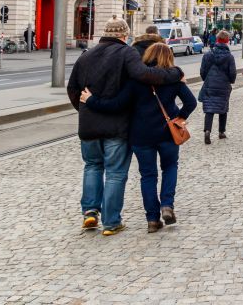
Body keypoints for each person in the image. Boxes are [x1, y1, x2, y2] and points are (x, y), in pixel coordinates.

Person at [66, 16, 183, 236]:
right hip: (117, 125)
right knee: (115, 173)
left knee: (92, 166)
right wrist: (175, 74)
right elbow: (145, 75)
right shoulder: (126, 52)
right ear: (123, 35)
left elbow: (72, 89)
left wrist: (85, 111)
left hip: (89, 124)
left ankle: (90, 212)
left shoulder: (86, 55)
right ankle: (111, 222)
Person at [79, 43, 197, 233]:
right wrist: (179, 118)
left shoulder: (136, 81)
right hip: (168, 133)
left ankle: (152, 219)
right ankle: (167, 205)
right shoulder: (175, 79)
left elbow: (117, 104)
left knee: (148, 175)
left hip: (141, 135)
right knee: (170, 167)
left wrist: (91, 100)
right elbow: (191, 102)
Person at [199, 30, 237, 144]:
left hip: (210, 84)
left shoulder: (208, 54)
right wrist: (231, 81)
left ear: (217, 40)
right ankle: (221, 132)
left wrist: (207, 79)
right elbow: (233, 73)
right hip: (223, 85)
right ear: (227, 41)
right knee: (223, 108)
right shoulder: (229, 56)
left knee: (209, 109)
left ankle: (207, 131)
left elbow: (202, 71)